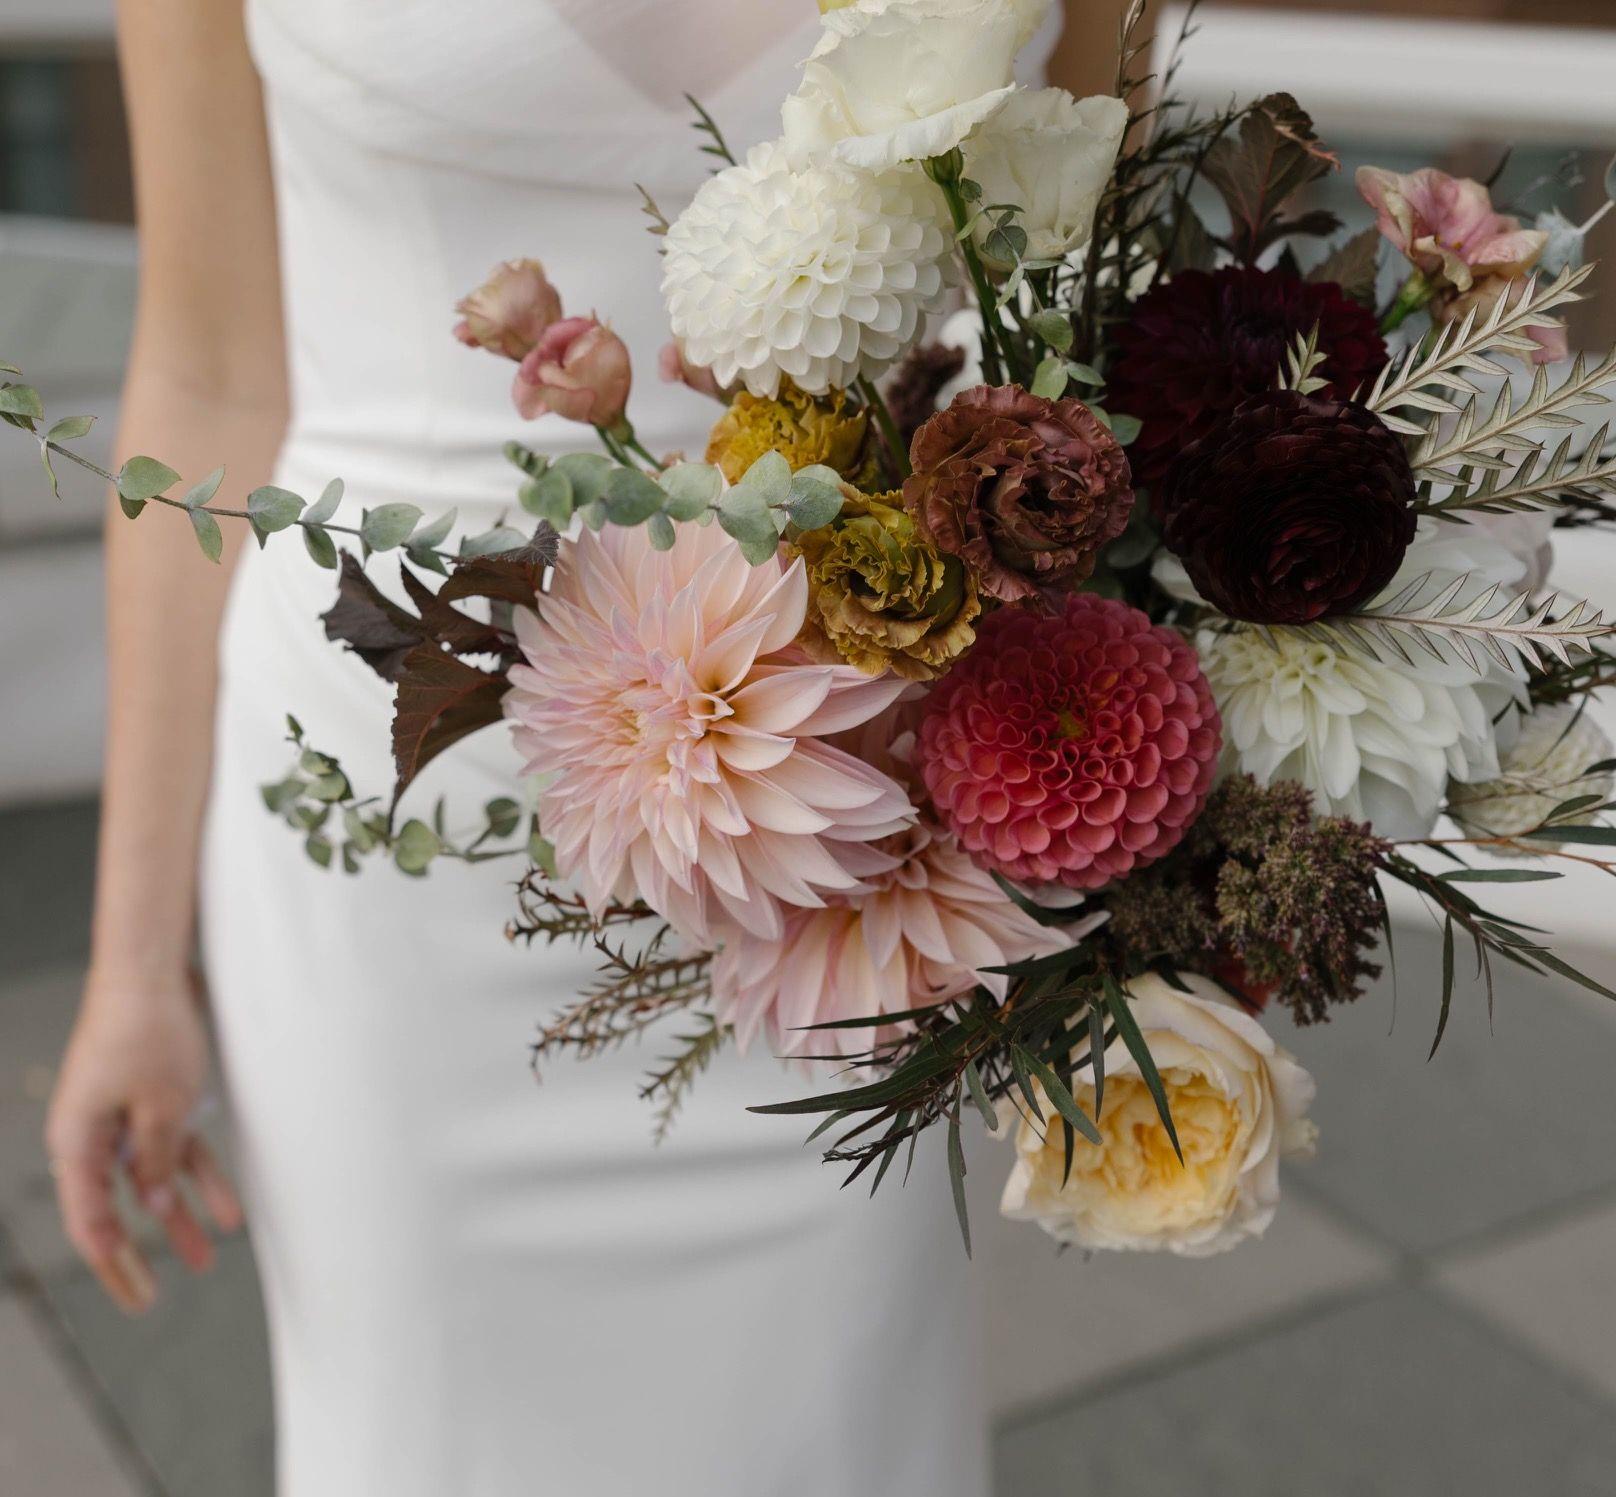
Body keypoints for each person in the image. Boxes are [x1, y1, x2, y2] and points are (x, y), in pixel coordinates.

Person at [46, 2, 1081, 1492]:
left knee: (838, 1414)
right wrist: (133, 967)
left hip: (860, 830)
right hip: (398, 824)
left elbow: (1081, 336)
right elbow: (209, 377)